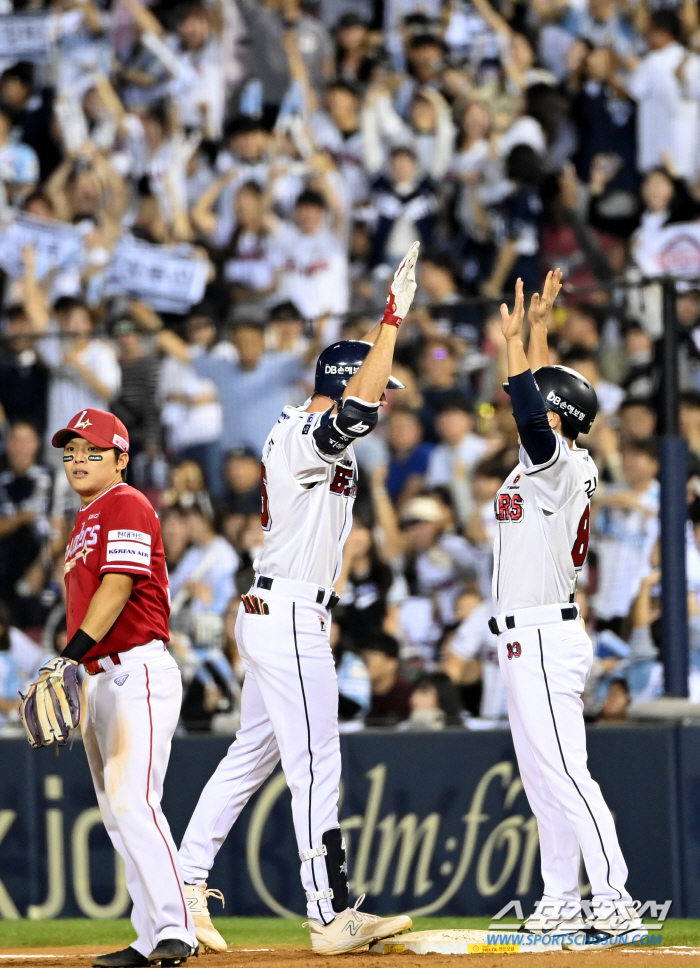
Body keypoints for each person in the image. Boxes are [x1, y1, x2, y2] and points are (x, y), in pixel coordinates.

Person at [177, 245, 419, 956]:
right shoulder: (301, 436)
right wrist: (391, 322)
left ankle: (184, 884)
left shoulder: (313, 443)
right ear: (346, 382)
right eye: (379, 384)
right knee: (316, 762)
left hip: (284, 612)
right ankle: (329, 911)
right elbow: (355, 414)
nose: (388, 395)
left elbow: (359, 413)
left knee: (251, 756)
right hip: (285, 616)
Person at [493, 272, 645, 942]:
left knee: (566, 774)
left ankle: (615, 903)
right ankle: (560, 900)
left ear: (559, 419)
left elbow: (533, 409)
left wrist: (518, 343)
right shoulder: (549, 461)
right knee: (543, 778)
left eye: (542, 409)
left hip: (546, 636)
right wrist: (538, 332)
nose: (522, 408)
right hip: (524, 636)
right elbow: (539, 402)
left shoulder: (561, 465)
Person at [20, 408, 197, 966]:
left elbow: (119, 586)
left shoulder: (127, 502)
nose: (77, 459)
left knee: (134, 803)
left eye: (91, 450)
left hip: (134, 668)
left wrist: (66, 656)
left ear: (121, 458)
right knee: (119, 814)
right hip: (100, 676)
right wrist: (77, 666)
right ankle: (149, 937)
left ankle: (178, 928)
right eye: (70, 450)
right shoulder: (86, 518)